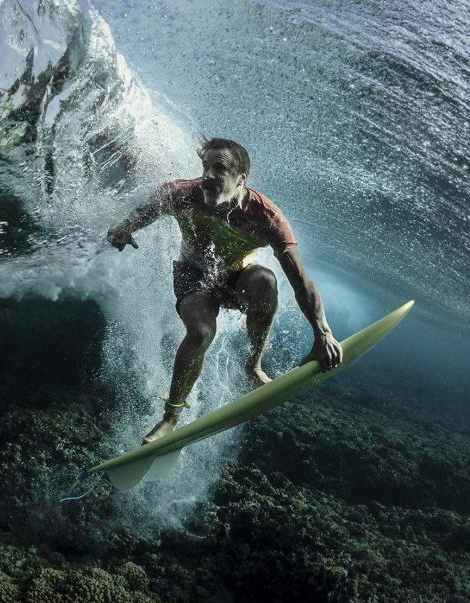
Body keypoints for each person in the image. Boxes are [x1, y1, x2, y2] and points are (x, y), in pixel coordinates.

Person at [106, 137, 344, 445]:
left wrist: (322, 332)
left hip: (237, 279)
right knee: (201, 332)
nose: (208, 176)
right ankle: (170, 418)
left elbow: (301, 281)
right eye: (205, 166)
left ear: (241, 179)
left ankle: (253, 366)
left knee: (265, 281)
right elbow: (152, 204)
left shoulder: (267, 218)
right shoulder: (184, 194)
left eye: (220, 168)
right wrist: (125, 227)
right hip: (192, 276)